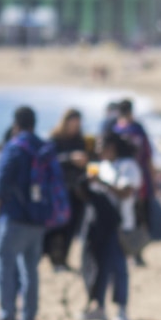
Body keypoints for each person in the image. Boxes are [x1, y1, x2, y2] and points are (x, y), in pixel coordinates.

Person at [0, 106, 47, 320]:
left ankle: (7, 317)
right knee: (30, 269)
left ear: (16, 124)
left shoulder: (15, 147)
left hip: (14, 217)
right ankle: (29, 318)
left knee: (4, 265)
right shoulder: (42, 146)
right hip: (39, 217)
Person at [83, 133, 141, 320]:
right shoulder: (102, 165)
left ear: (113, 147)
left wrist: (101, 182)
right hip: (100, 224)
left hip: (120, 225)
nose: (98, 150)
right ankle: (99, 307)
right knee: (100, 267)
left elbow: (126, 193)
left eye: (102, 146)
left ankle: (122, 312)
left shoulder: (128, 166)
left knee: (119, 269)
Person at [44, 108, 89, 271]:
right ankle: (55, 260)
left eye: (78, 124)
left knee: (72, 226)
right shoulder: (54, 138)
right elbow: (48, 161)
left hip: (76, 189)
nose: (75, 127)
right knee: (57, 226)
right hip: (57, 189)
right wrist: (70, 159)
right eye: (73, 123)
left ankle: (63, 259)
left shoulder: (80, 139)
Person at [112, 98, 154, 266]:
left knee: (133, 216)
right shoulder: (136, 129)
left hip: (123, 178)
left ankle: (132, 251)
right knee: (137, 216)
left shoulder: (115, 129)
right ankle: (134, 252)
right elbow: (148, 156)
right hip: (139, 179)